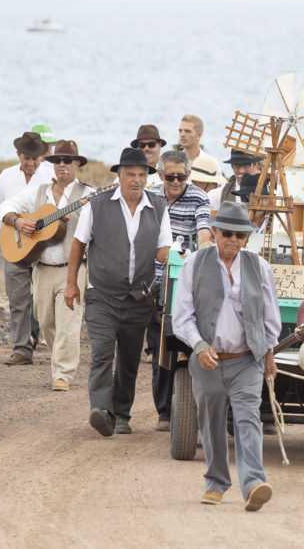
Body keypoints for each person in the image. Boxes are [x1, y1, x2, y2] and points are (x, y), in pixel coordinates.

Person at [171, 201, 280, 511]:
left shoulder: (259, 266)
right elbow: (182, 316)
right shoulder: (194, 263)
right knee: (211, 422)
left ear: (246, 239)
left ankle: (254, 483)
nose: (233, 240)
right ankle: (216, 483)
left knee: (249, 419)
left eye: (240, 236)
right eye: (227, 234)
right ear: (215, 233)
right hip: (208, 359)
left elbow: (269, 315)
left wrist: (267, 351)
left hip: (247, 359)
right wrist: (199, 346)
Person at [66, 147, 172, 436]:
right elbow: (78, 244)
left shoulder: (159, 207)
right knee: (102, 351)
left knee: (128, 358)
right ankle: (101, 409)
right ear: (119, 176)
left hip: (140, 296)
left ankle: (122, 414)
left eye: (141, 175)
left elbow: (164, 248)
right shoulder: (97, 204)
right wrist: (71, 283)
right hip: (102, 293)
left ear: (148, 177)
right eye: (130, 175)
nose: (136, 180)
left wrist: (176, 256)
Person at [0, 140, 93, 390]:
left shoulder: (88, 195)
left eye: (68, 161)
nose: (62, 166)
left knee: (68, 323)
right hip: (42, 269)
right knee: (46, 321)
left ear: (77, 165)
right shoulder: (39, 193)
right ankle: (59, 360)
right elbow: (6, 207)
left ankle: (62, 374)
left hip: (73, 269)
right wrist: (18, 223)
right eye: (57, 161)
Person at [145, 150, 213, 430]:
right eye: (170, 176)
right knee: (157, 346)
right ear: (160, 175)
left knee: (181, 342)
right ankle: (163, 411)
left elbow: (204, 230)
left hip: (182, 281)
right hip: (151, 281)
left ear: (188, 176)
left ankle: (188, 408)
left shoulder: (199, 197)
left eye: (181, 177)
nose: (175, 181)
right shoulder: (150, 195)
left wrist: (205, 250)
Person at [0, 131, 53, 365]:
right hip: (12, 244)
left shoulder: (50, 176)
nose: (30, 163)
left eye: (35, 158)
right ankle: (21, 349)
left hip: (44, 245)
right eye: (26, 158)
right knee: (17, 298)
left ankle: (38, 336)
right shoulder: (6, 177)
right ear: (18, 155)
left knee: (41, 300)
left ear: (41, 156)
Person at [131, 124, 167, 193]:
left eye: (151, 145)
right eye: (142, 145)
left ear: (160, 145)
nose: (146, 149)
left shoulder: (169, 171)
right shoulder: (126, 174)